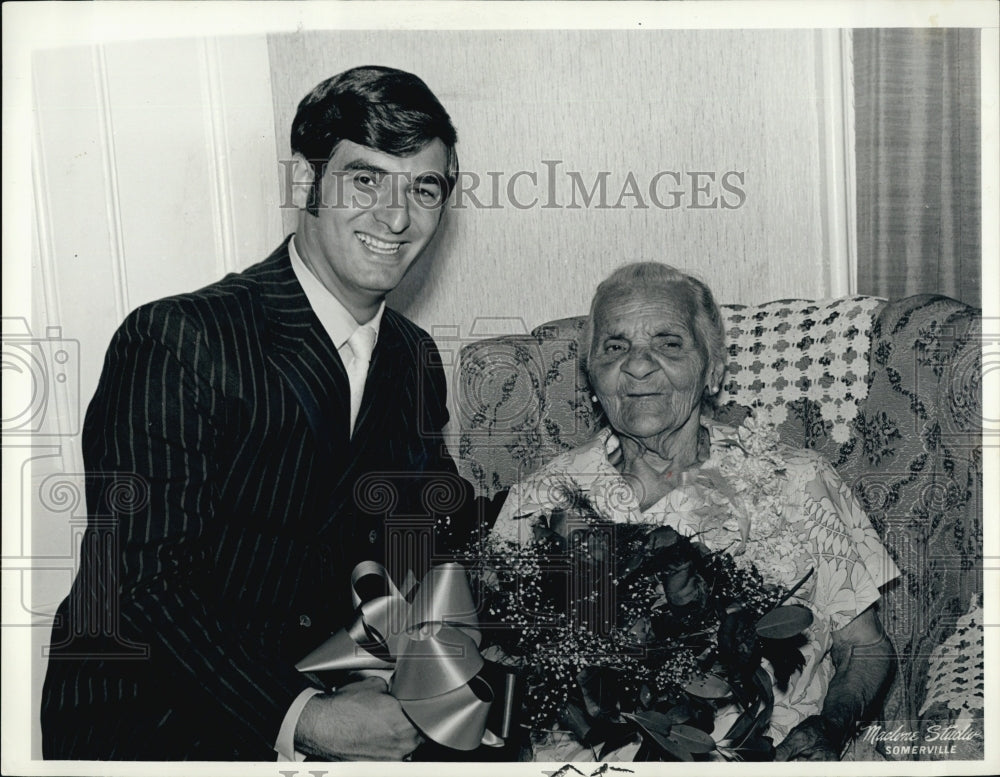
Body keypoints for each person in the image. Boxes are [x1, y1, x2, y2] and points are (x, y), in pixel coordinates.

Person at [41, 65, 479, 761]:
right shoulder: (178, 338)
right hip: (154, 723)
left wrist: (571, 518)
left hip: (331, 685)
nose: (397, 217)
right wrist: (307, 716)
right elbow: (145, 581)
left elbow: (426, 526)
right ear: (303, 182)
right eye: (365, 179)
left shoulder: (413, 354)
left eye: (423, 188)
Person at [491, 262, 899, 761]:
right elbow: (496, 661)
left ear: (712, 370)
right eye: (615, 347)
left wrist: (829, 729)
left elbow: (865, 647)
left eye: (669, 343)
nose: (638, 366)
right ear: (591, 376)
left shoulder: (799, 480)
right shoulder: (540, 499)